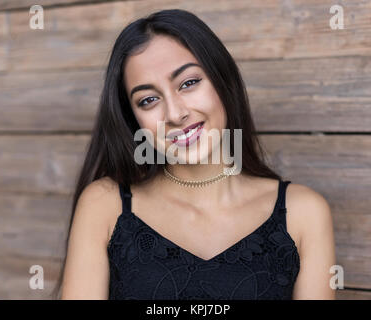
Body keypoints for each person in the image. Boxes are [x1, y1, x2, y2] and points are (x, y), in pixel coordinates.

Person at [54, 9, 336, 300]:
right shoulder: (105, 205)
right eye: (149, 100)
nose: (176, 114)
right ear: (132, 118)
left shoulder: (304, 213)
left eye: (188, 83)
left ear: (222, 80)